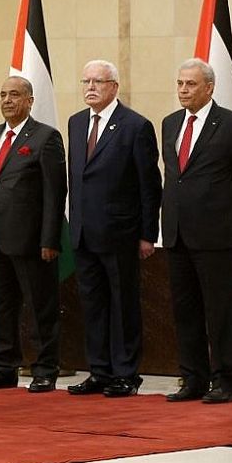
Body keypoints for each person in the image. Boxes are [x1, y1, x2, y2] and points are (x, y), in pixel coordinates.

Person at [161, 59, 232, 404]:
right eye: (180, 83)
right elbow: (175, 177)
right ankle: (193, 378)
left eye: (190, 84)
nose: (183, 90)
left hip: (217, 237)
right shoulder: (170, 124)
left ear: (209, 88)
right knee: (185, 311)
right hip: (176, 235)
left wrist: (227, 220)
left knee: (219, 312)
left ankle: (225, 380)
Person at [66, 61, 161, 398]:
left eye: (98, 81)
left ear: (114, 87)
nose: (91, 87)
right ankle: (99, 371)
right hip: (83, 234)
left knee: (122, 305)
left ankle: (125, 373)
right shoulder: (76, 124)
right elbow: (76, 180)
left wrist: (148, 233)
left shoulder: (135, 126)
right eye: (86, 80)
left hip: (120, 234)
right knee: (93, 306)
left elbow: (149, 185)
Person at [0, 76, 66, 393]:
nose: (7, 100)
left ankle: (44, 368)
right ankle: (4, 366)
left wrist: (50, 239)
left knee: (40, 307)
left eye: (14, 94)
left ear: (29, 100)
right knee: (0, 306)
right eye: (2, 95)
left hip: (31, 241)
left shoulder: (45, 137)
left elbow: (55, 193)